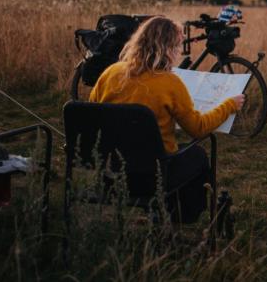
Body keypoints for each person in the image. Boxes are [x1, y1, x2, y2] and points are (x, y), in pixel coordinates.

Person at [89, 16, 244, 223]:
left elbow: (92, 114)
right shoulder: (170, 83)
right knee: (196, 155)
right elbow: (198, 129)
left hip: (111, 174)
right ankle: (180, 216)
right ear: (169, 48)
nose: (179, 51)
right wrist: (229, 105)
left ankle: (163, 214)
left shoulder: (110, 74)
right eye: (178, 46)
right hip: (153, 178)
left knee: (178, 153)